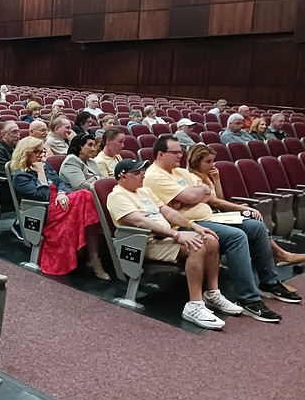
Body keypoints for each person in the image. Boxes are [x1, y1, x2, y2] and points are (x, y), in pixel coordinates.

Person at [143, 135, 298, 322]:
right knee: (237, 237)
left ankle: (269, 283)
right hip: (186, 224)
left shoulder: (180, 172)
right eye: (175, 152)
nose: (180, 155)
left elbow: (204, 195)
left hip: (210, 216)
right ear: (160, 154)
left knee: (256, 227)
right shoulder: (154, 175)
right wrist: (195, 195)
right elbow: (193, 197)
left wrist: (194, 195)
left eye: (181, 151)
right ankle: (248, 299)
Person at [106, 159, 240, 329]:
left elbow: (168, 212)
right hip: (144, 243)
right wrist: (176, 234)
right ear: (122, 177)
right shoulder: (117, 196)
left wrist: (193, 225)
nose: (142, 175)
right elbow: (140, 222)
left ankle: (212, 293)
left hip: (164, 237)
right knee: (196, 245)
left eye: (142, 171)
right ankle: (195, 305)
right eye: (136, 173)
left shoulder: (144, 191)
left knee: (211, 240)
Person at [186, 143, 305, 269]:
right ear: (196, 162)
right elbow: (215, 202)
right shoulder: (193, 179)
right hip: (207, 218)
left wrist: (216, 180)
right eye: (208, 161)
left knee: (254, 220)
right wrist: (246, 208)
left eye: (213, 161)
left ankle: (279, 255)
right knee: (250, 218)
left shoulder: (205, 177)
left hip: (215, 214)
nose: (212, 165)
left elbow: (219, 199)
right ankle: (280, 255)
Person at [10, 137, 108, 280]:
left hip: (59, 201)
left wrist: (62, 193)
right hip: (45, 210)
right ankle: (92, 257)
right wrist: (40, 174)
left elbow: (61, 181)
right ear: (25, 153)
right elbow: (42, 196)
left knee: (86, 200)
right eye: (36, 152)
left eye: (42, 151)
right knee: (85, 196)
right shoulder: (21, 176)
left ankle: (93, 256)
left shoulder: (44, 165)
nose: (40, 155)